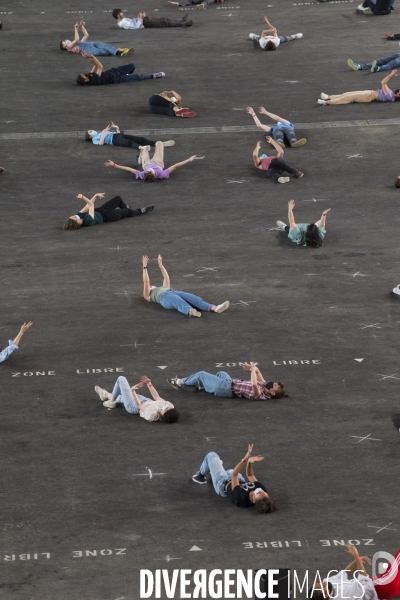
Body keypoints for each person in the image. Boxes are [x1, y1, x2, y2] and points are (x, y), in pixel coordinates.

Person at [191, 444, 276, 513]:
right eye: (263, 492)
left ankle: (200, 476)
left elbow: (234, 476)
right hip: (238, 479)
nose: (260, 489)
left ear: (254, 500)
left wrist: (245, 459)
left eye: (258, 492)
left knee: (212, 455)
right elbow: (250, 476)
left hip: (222, 483)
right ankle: (214, 467)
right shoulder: (262, 492)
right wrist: (249, 463)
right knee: (231, 470)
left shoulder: (240, 498)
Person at [142, 254, 229, 317]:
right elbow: (146, 282)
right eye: (149, 287)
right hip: (164, 298)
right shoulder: (148, 296)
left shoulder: (163, 288)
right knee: (178, 302)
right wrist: (145, 267)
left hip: (174, 292)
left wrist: (161, 266)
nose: (150, 286)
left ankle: (215, 308)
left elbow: (166, 278)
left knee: (194, 298)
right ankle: (190, 311)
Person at [310, 543, 400, 600]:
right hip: (381, 588)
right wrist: (356, 556)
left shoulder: (328, 583)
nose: (323, 583)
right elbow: (364, 581)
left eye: (320, 583)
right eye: (322, 587)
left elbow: (344, 573)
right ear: (325, 596)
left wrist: (357, 561)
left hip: (382, 589)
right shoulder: (343, 597)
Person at [167, 363, 287, 399]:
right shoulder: (265, 386)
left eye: (275, 385)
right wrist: (251, 369)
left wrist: (252, 370)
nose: (273, 383)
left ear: (272, 392)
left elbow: (254, 383)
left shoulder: (260, 394)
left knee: (202, 374)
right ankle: (202, 387)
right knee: (221, 373)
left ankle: (178, 382)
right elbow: (257, 373)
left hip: (226, 388)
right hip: (230, 382)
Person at [94, 375, 179, 423]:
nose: (165, 406)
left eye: (165, 409)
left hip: (133, 406)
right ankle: (105, 394)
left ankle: (111, 401)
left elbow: (139, 405)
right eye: (168, 407)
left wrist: (133, 390)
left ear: (162, 416)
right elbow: (156, 397)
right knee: (122, 395)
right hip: (145, 400)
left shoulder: (152, 415)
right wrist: (149, 383)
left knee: (121, 379)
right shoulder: (170, 406)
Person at [104, 142, 197, 182]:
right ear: (154, 174)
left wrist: (114, 165)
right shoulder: (161, 174)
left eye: (149, 171)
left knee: (144, 149)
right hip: (158, 162)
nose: (151, 170)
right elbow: (176, 166)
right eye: (151, 171)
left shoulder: (143, 173)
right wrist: (189, 159)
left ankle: (142, 154)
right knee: (159, 143)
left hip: (146, 163)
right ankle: (161, 144)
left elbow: (128, 169)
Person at [62, 193, 154, 231]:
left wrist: (95, 195)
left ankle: (128, 208)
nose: (74, 215)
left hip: (100, 210)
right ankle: (141, 211)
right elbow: (90, 205)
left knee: (117, 199)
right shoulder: (88, 221)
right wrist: (83, 197)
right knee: (126, 212)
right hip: (108, 217)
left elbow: (87, 206)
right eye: (73, 218)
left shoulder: (78, 215)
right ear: (76, 223)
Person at [76, 54, 164, 86]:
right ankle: (153, 76)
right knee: (137, 77)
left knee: (132, 66)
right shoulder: (94, 81)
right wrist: (92, 56)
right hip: (115, 79)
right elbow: (100, 67)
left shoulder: (89, 77)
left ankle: (127, 75)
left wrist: (93, 62)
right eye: (84, 76)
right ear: (86, 80)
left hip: (112, 71)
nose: (85, 74)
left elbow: (93, 70)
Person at [318, 70, 400, 104]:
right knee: (347, 94)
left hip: (369, 96)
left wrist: (391, 74)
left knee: (348, 98)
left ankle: (326, 102)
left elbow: (383, 83)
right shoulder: (391, 93)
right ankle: (329, 97)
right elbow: (385, 84)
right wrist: (391, 74)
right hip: (369, 93)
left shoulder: (390, 96)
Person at [84, 122, 175, 152]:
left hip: (117, 135)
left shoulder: (99, 134)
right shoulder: (95, 140)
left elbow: (113, 133)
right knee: (129, 143)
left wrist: (116, 128)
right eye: (91, 131)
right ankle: (142, 148)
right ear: (90, 136)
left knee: (140, 139)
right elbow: (101, 144)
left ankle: (159, 143)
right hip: (114, 140)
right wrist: (103, 132)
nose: (92, 131)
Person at [60, 20, 133, 56]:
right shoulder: (69, 47)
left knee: (106, 46)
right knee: (102, 51)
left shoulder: (78, 44)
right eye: (64, 42)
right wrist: (75, 29)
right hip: (87, 49)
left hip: (90, 44)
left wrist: (81, 26)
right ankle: (120, 52)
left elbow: (86, 36)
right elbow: (76, 39)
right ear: (64, 46)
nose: (66, 41)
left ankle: (119, 51)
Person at [112, 9, 192, 29]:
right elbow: (135, 27)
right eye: (121, 13)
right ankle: (183, 23)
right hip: (145, 24)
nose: (123, 13)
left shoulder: (123, 20)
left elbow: (133, 23)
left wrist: (138, 17)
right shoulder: (123, 23)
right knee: (163, 23)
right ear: (118, 15)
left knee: (163, 19)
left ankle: (181, 20)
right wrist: (140, 18)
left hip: (143, 21)